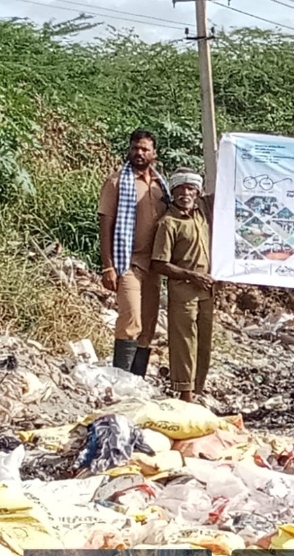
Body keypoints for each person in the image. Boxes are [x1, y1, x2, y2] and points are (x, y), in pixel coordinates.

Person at [97, 129, 170, 375]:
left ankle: (136, 380)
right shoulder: (117, 181)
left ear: (154, 154)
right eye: (135, 148)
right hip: (127, 262)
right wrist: (108, 266)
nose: (139, 153)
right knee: (131, 320)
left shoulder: (162, 186)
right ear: (129, 150)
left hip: (155, 265)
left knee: (148, 326)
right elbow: (105, 224)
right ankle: (121, 378)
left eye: (144, 149)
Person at [151, 169, 214, 402]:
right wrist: (191, 275)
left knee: (204, 342)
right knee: (184, 342)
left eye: (190, 189)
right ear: (173, 192)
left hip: (207, 291)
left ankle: (198, 390)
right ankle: (185, 393)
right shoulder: (169, 223)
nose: (185, 193)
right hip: (183, 291)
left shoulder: (202, 214)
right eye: (180, 189)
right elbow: (159, 263)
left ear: (197, 192)